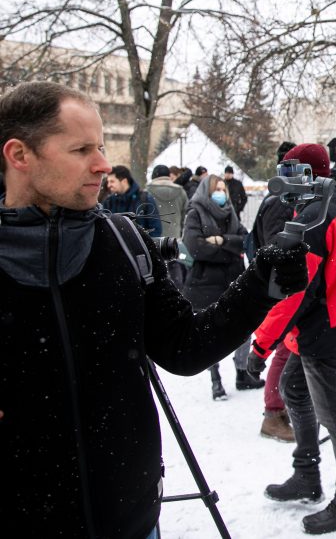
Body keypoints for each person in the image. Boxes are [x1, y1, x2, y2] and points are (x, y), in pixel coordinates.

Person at [0, 80, 308, 539]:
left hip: (133, 520)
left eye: (101, 146)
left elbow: (185, 347)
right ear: (19, 155)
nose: (103, 164)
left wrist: (261, 284)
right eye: (82, 149)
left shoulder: (124, 244)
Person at [248, 142, 336, 535]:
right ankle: (306, 474)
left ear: (308, 174)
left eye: (291, 171)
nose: (283, 181)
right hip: (335, 319)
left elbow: (294, 291)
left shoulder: (317, 217)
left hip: (325, 328)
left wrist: (260, 344)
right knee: (294, 389)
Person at [182, 173, 262, 399]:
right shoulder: (195, 212)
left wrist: (221, 240)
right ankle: (215, 378)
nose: (220, 193)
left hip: (233, 279)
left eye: (222, 189)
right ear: (207, 192)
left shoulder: (231, 212)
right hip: (205, 283)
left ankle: (242, 372)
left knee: (244, 328)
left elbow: (246, 240)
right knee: (211, 333)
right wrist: (229, 251)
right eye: (216, 189)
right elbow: (194, 246)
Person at [252, 140, 298, 443]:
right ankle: (273, 413)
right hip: (281, 288)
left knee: (289, 349)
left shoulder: (283, 198)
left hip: (284, 286)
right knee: (283, 349)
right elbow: (275, 250)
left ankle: (283, 407)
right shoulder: (280, 202)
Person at [148, 163, 190, 286]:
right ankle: (178, 293)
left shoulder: (147, 191)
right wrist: (180, 232)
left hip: (153, 239)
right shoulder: (181, 191)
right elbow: (185, 215)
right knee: (175, 266)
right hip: (174, 237)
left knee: (156, 270)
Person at [102, 164, 162, 236]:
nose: (108, 185)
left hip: (140, 246)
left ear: (124, 181)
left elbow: (155, 229)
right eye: (108, 182)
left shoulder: (145, 199)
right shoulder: (108, 202)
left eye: (112, 181)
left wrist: (145, 245)